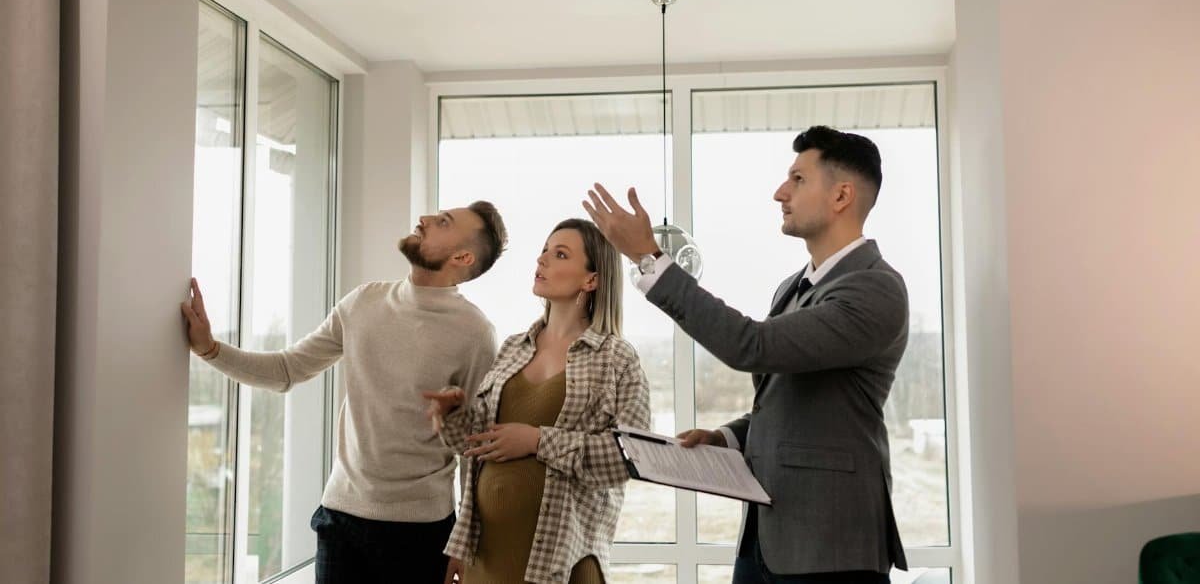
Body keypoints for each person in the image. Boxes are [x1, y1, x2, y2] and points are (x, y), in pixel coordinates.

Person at [583, 126, 910, 583]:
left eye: (798, 179)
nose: (781, 192)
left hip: (831, 546)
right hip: (766, 538)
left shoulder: (875, 289)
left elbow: (751, 345)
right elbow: (797, 402)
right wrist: (728, 438)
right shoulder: (792, 288)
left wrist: (651, 258)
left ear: (841, 196)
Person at [181, 202, 508, 584]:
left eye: (442, 223)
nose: (424, 219)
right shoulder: (363, 302)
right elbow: (289, 369)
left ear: (462, 256)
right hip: (340, 519)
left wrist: (464, 542)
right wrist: (209, 349)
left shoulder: (475, 333)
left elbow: (474, 448)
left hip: (422, 532)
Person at [424, 218, 650, 584]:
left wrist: (536, 441)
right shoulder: (514, 346)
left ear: (591, 279)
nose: (542, 260)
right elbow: (477, 444)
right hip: (485, 558)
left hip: (563, 563)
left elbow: (634, 457)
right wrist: (452, 416)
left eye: (559, 254)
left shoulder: (617, 358)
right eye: (544, 250)